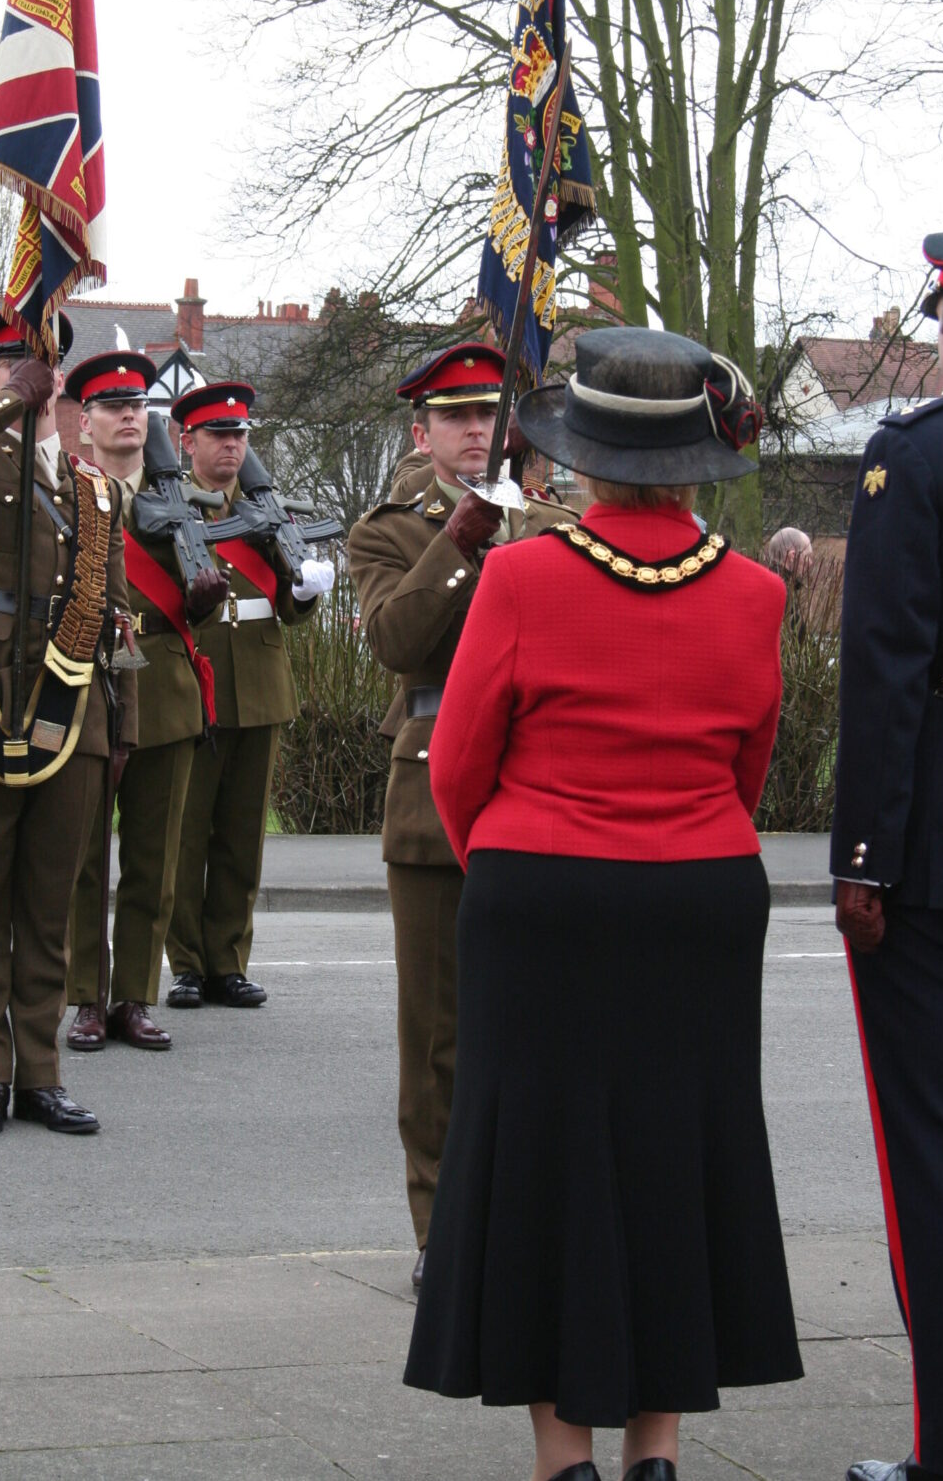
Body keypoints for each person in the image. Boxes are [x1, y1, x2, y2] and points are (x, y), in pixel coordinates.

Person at [404, 326, 803, 1481]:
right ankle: (658, 1448)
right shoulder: (757, 591)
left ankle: (563, 1452)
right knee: (681, 1148)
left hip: (542, 890)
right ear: (694, 463)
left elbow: (458, 764)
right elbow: (750, 763)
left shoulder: (522, 574)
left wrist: (517, 868)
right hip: (703, 892)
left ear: (582, 457)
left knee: (543, 1157)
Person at [346, 342, 577, 1288]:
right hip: (435, 790)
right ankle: (441, 1229)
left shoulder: (558, 524)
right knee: (439, 1037)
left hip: (544, 789)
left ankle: (531, 1223)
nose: (474, 430)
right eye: (454, 416)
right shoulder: (390, 532)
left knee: (540, 1026)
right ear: (421, 433)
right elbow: (396, 641)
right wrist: (461, 538)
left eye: (486, 413)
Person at [0, 313, 136, 1137]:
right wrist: (11, 402)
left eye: (40, 361)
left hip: (72, 707)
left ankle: (41, 1070)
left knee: (48, 903)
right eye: (12, 361)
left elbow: (116, 619)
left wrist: (123, 728)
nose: (29, 371)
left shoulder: (96, 490)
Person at [829, 242, 943, 1481]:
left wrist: (863, 856)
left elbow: (887, 667)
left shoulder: (912, 459)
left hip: (934, 856)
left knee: (930, 1148)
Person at [62, 349, 226, 1053]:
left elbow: (202, 603)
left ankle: (133, 996)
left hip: (161, 681)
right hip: (84, 678)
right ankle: (85, 997)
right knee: (82, 856)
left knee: (154, 859)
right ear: (86, 422)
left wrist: (205, 602)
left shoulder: (183, 502)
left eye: (137, 405)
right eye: (113, 406)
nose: (129, 416)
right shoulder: (65, 494)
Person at [165, 381, 334, 1009]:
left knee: (241, 837)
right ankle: (187, 963)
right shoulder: (170, 507)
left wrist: (306, 592)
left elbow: (288, 606)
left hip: (260, 686)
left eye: (239, 435)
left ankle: (229, 961)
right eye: (218, 435)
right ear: (189, 442)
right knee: (187, 835)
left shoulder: (269, 510)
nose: (231, 446)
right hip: (198, 681)